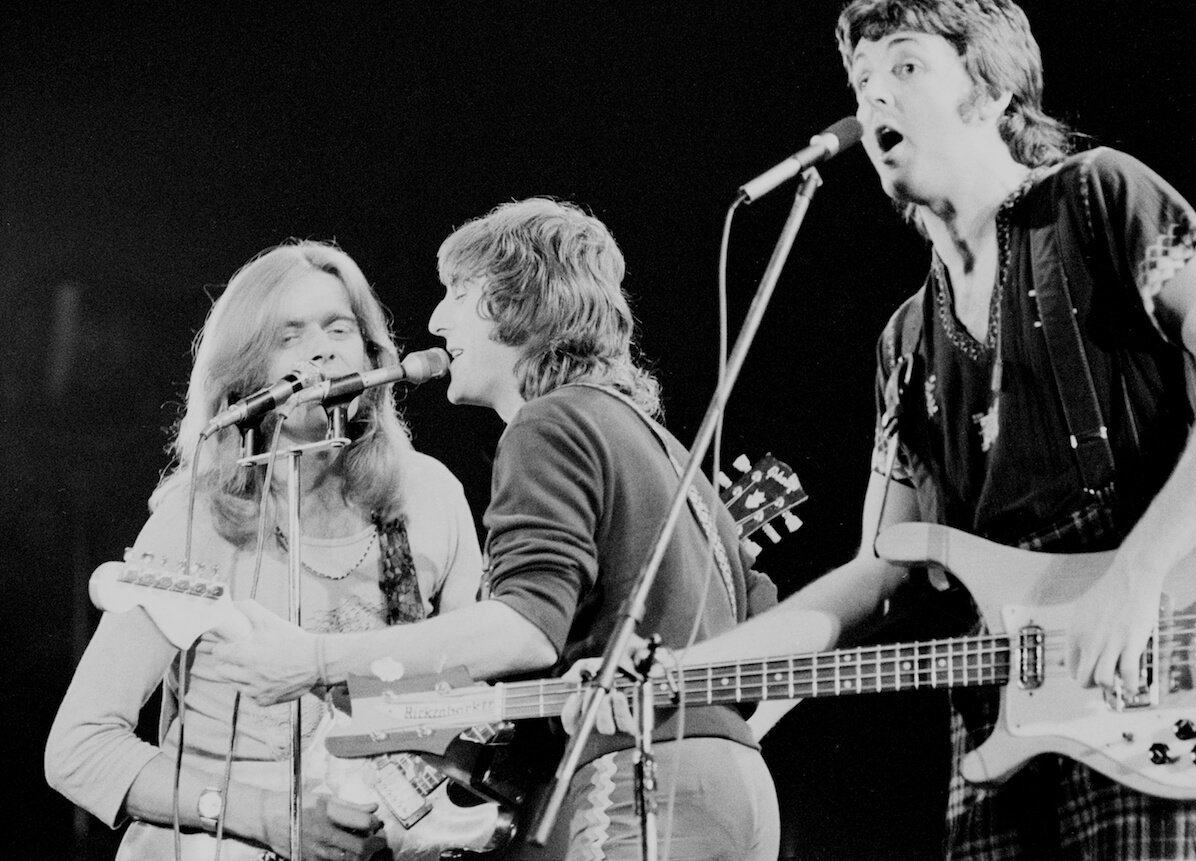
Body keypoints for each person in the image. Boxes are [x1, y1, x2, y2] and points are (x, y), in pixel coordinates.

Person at [672, 0, 1196, 861]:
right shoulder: (904, 342)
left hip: (1151, 664)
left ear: (993, 88)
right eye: (860, 82)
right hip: (1001, 713)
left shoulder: (1098, 198)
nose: (872, 93)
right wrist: (691, 671)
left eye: (906, 66)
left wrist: (1140, 572)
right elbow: (877, 572)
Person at [200, 198, 782, 861]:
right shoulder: (666, 448)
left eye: (457, 293)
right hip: (739, 790)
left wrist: (314, 660)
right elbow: (763, 649)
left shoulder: (549, 423)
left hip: (637, 786)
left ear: (514, 302)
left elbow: (524, 628)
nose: (435, 319)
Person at [45, 241, 483, 861]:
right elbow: (79, 747)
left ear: (372, 353)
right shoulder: (199, 516)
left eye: (339, 328)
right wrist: (266, 819)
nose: (323, 349)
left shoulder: (429, 497)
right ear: (246, 373)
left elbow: (476, 698)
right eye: (290, 336)